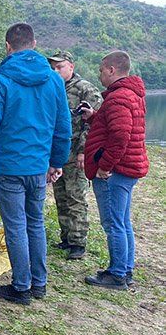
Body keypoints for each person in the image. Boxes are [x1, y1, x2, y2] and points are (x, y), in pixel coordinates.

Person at [0, 23, 71, 305]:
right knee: (35, 223)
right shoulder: (54, 80)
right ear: (34, 44)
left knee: (16, 226)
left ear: (8, 46)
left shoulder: (0, 80)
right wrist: (57, 161)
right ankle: (39, 283)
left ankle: (21, 287)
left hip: (8, 166)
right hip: (38, 165)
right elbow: (63, 126)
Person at [80, 50, 149, 290]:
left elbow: (120, 136)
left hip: (116, 171)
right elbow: (114, 125)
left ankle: (117, 274)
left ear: (111, 70)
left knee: (113, 223)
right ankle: (125, 269)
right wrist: (94, 117)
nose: (99, 75)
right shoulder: (131, 95)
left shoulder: (118, 97)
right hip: (127, 168)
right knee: (122, 221)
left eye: (101, 70)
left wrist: (104, 166)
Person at [47, 51, 103, 260]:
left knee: (76, 198)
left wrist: (83, 151)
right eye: (53, 67)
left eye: (60, 66)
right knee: (61, 196)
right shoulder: (53, 87)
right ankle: (66, 238)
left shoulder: (85, 89)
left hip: (75, 152)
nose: (56, 71)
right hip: (58, 153)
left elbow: (94, 123)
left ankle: (78, 242)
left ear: (71, 66)